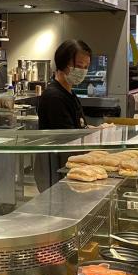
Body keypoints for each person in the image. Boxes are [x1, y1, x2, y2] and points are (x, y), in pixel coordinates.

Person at [34, 39, 92, 192]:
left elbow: (77, 126)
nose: (83, 71)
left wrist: (97, 129)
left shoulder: (69, 93)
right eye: (79, 66)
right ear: (63, 63)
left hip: (67, 167)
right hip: (56, 171)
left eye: (86, 67)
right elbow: (68, 137)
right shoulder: (54, 96)